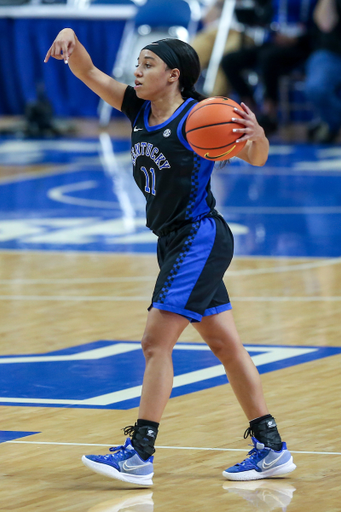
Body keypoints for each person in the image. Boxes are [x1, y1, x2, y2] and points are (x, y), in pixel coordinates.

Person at [44, 30, 296, 486]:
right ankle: (271, 447)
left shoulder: (200, 117)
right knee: (226, 346)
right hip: (175, 242)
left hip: (199, 237)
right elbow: (86, 70)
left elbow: (255, 157)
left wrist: (257, 137)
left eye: (147, 64)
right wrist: (70, 39)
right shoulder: (136, 107)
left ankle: (140, 452)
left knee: (155, 341)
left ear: (173, 75)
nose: (137, 71)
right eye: (137, 64)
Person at [220, 0, 319, 136]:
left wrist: (297, 39)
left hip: (301, 46)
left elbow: (319, 27)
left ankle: (270, 112)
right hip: (272, 42)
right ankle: (249, 108)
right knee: (229, 61)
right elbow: (264, 16)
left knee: (268, 58)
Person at [305, 0, 341, 143]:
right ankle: (332, 124)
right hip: (332, 53)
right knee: (316, 88)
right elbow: (325, 24)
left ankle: (329, 124)